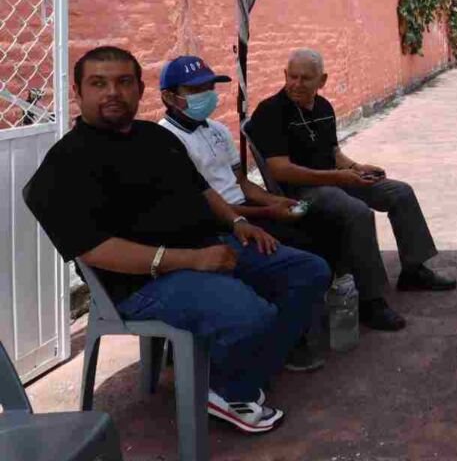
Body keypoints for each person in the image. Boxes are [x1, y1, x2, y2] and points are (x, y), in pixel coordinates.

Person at [25, 46, 331, 435]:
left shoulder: (155, 137)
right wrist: (191, 260)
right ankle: (228, 389)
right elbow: (95, 249)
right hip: (142, 281)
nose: (112, 93)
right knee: (251, 313)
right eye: (98, 83)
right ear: (77, 92)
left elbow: (203, 190)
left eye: (123, 82)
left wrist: (238, 222)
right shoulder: (66, 164)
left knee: (309, 271)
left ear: (140, 89)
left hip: (209, 246)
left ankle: (243, 369)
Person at [156, 54, 406, 338]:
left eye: (209, 88)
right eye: (195, 90)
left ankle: (330, 307)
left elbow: (242, 183)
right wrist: (268, 210)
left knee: (326, 228)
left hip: (248, 207)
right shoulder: (166, 140)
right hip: (219, 222)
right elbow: (206, 204)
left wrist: (273, 201)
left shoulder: (217, 130)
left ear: (321, 81)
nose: (206, 96)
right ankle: (291, 337)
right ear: (170, 97)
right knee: (310, 246)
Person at [247, 48, 456, 314]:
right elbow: (280, 171)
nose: (296, 84)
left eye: (305, 79)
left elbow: (333, 153)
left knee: (400, 192)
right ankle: (372, 299)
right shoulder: (271, 111)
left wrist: (357, 168)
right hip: (300, 192)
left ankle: (414, 270)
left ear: (321, 81)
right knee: (358, 212)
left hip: (335, 180)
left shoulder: (323, 107)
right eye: (292, 77)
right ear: (285, 75)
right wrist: (338, 177)